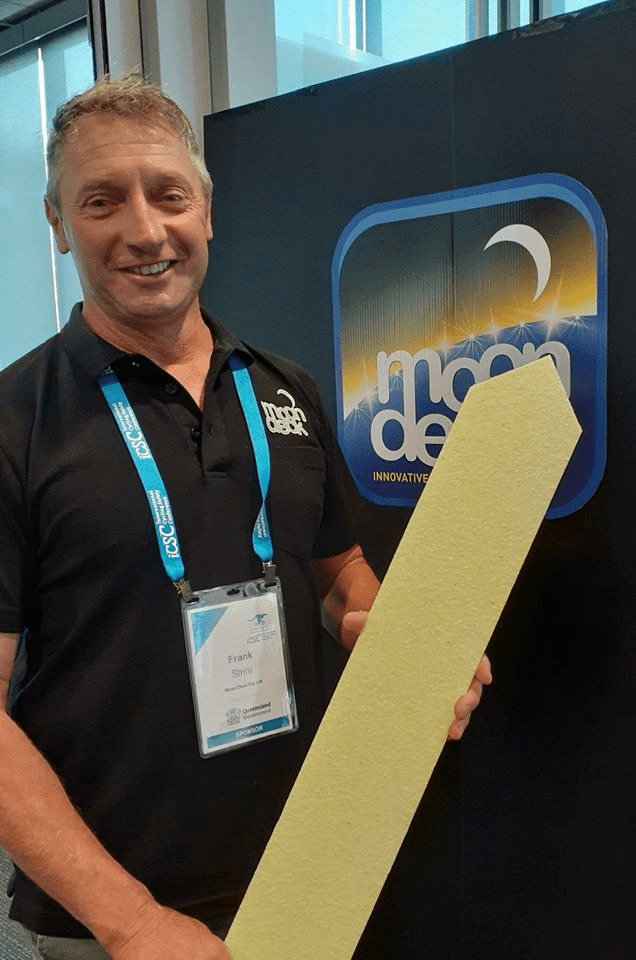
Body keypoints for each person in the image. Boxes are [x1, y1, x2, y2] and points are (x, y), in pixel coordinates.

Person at [0, 74, 491, 960]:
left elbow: (339, 574)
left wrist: (411, 651)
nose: (145, 230)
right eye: (102, 201)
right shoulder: (13, 421)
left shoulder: (283, 388)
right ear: (59, 222)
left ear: (208, 211)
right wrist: (132, 922)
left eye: (169, 195)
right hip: (113, 920)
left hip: (304, 872)